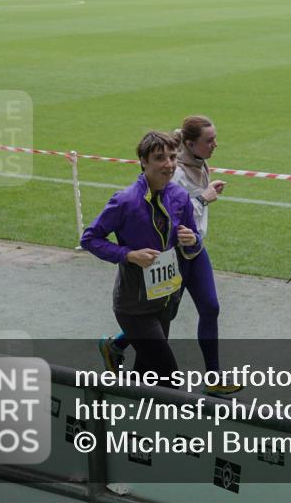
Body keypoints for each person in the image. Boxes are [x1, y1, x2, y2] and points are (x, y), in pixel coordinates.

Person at [98, 117, 242, 395]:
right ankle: (117, 346)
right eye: (208, 140)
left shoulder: (195, 166)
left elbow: (187, 219)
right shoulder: (167, 178)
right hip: (167, 257)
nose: (215, 144)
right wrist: (204, 198)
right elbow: (167, 217)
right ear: (191, 143)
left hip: (193, 251)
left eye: (171, 157)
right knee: (162, 322)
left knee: (209, 307)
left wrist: (193, 237)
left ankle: (213, 377)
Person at [81, 131, 201, 382]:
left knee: (147, 375)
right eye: (159, 158)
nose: (168, 164)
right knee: (169, 376)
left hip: (166, 301)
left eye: (171, 157)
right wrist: (129, 254)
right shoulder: (124, 201)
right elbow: (90, 239)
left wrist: (191, 240)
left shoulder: (180, 198)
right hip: (134, 307)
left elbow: (193, 243)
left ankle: (122, 417)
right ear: (143, 162)